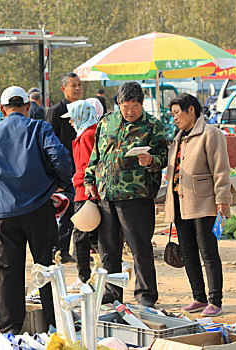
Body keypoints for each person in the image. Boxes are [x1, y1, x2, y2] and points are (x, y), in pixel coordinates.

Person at [0, 86, 72, 334]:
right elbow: (60, 158)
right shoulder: (40, 128)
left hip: (3, 213)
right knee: (46, 266)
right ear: (28, 106)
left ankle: (9, 328)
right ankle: (54, 323)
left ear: (3, 109)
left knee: (8, 271)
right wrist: (61, 183)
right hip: (39, 208)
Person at [84, 82, 168, 307]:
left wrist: (151, 161)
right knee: (108, 248)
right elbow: (97, 154)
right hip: (106, 195)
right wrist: (89, 180)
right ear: (118, 104)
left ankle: (146, 294)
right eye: (125, 106)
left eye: (134, 106)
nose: (130, 111)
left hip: (136, 197)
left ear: (142, 104)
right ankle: (112, 291)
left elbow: (164, 157)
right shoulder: (107, 122)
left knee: (140, 247)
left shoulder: (152, 125)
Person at [165, 93, 231, 317]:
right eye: (172, 114)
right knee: (188, 252)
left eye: (177, 113)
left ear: (191, 110)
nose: (174, 118)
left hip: (204, 202)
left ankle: (215, 300)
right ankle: (199, 298)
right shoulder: (179, 137)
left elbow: (221, 169)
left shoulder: (210, 134)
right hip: (181, 202)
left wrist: (222, 199)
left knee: (208, 253)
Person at [60, 100, 99, 291]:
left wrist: (79, 181)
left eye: (72, 118)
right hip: (88, 190)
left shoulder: (86, 136)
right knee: (94, 235)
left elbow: (85, 166)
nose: (70, 122)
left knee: (80, 236)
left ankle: (83, 278)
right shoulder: (93, 132)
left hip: (84, 192)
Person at [45, 72, 82, 263]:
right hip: (61, 172)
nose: (77, 89)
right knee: (61, 211)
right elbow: (48, 144)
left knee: (76, 211)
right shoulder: (55, 111)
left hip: (80, 168)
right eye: (73, 85)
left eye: (79, 85)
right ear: (63, 89)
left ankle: (70, 250)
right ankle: (57, 250)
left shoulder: (83, 109)